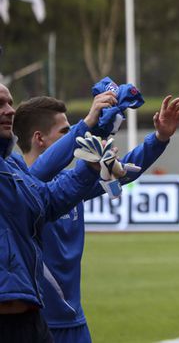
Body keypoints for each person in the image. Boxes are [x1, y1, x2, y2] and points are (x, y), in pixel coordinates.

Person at [12, 94, 179, 343]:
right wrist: (89, 126)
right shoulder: (17, 187)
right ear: (39, 138)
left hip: (75, 322)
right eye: (66, 133)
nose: (76, 138)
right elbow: (35, 176)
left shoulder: (69, 184)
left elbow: (123, 171)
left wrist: (160, 138)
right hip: (37, 322)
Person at [0, 83, 105, 342]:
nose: (9, 111)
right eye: (0, 105)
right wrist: (88, 124)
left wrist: (90, 166)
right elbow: (40, 175)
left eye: (10, 102)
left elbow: (49, 199)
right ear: (39, 138)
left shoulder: (11, 168)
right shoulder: (17, 169)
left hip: (30, 317)